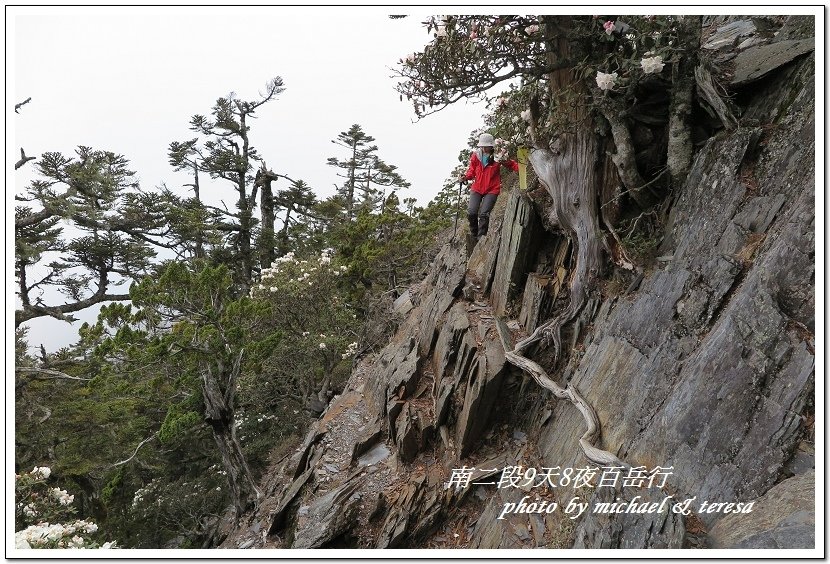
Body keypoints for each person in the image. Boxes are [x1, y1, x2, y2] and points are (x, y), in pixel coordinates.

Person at [460, 133, 519, 240]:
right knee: (472, 212)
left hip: (492, 189)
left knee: (484, 214)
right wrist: (465, 177)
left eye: (485, 146)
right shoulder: (476, 156)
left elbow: (511, 164)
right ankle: (474, 235)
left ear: (491, 146)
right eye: (482, 146)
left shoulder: (498, 156)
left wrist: (522, 168)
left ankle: (480, 239)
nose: (483, 148)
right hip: (477, 188)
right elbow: (471, 171)